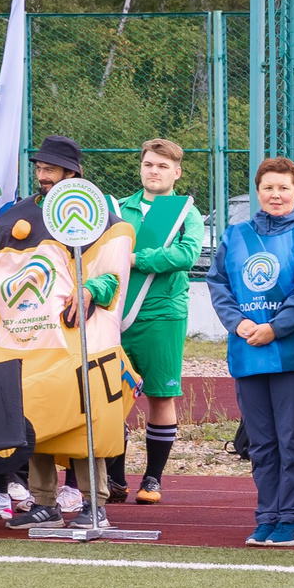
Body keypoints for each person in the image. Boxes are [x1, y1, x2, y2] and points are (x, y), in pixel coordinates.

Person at [205, 156, 294, 546]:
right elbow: (218, 283)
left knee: (292, 438)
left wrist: (274, 328)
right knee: (261, 442)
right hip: (247, 352)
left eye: (284, 188)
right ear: (257, 192)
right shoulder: (235, 234)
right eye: (268, 188)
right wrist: (238, 323)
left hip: (293, 354)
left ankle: (293, 517)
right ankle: (268, 514)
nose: (276, 195)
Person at [0, 136, 121, 522]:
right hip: (28, 333)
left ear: (73, 173)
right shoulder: (17, 213)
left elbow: (113, 269)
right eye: (39, 168)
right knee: (36, 414)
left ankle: (94, 504)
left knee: (86, 413)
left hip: (78, 335)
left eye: (50, 168)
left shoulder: (94, 212)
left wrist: (90, 290)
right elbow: (2, 266)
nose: (42, 175)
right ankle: (44, 503)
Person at [115, 139, 208, 504]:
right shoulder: (119, 209)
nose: (154, 171)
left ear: (177, 172)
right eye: (149, 164)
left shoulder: (185, 212)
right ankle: (115, 478)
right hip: (117, 312)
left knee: (160, 394)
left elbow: (186, 255)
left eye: (162, 166)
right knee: (111, 396)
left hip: (163, 314)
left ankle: (152, 479)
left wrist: (139, 259)